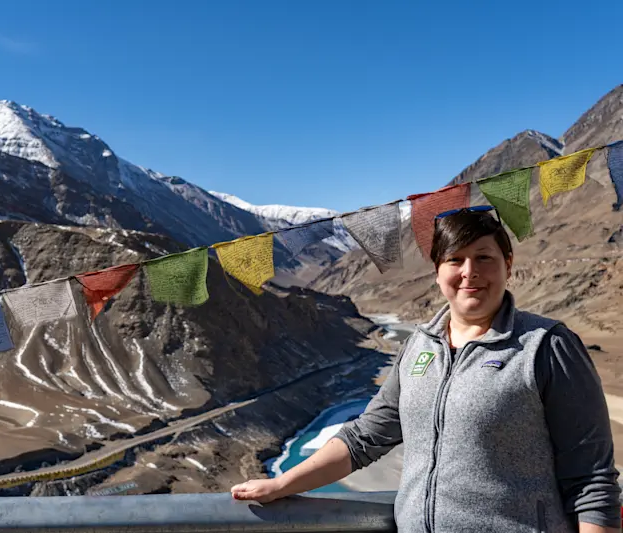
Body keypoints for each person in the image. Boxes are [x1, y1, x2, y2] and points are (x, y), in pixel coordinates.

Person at [231, 206, 621, 532]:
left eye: (484, 257)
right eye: (455, 259)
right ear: (437, 271)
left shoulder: (547, 345)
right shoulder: (418, 345)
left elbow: (591, 478)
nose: (470, 271)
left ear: (508, 264)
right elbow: (366, 436)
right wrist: (282, 483)